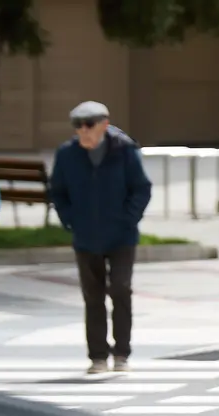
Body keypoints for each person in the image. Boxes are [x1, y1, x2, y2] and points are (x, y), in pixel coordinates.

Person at [49, 101, 152, 374]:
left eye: (89, 125)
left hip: (121, 235)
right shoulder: (68, 154)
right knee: (92, 296)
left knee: (120, 289)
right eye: (78, 126)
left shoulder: (125, 151)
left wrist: (128, 218)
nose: (84, 131)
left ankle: (122, 353)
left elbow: (141, 188)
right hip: (86, 235)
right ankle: (97, 356)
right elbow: (58, 191)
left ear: (104, 125)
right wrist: (70, 219)